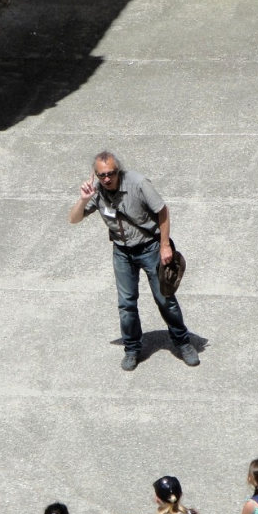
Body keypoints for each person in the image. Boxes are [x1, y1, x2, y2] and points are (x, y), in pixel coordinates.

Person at [68, 151, 199, 371]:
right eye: (102, 175)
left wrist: (165, 246)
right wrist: (83, 199)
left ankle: (183, 342)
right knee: (126, 304)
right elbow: (73, 219)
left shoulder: (138, 184)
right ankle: (132, 348)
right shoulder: (97, 192)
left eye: (111, 173)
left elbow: (162, 211)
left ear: (118, 171)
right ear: (96, 175)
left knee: (165, 299)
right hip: (122, 251)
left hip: (150, 247)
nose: (107, 179)